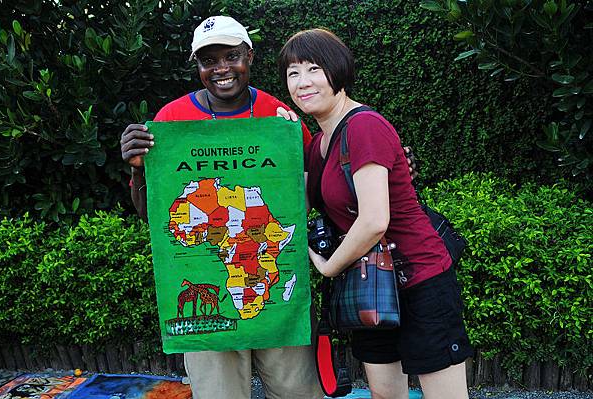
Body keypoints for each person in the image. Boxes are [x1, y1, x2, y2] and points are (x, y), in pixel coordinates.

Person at [120, 16, 324, 399]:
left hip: (275, 294)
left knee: (297, 392)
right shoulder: (170, 121)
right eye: (208, 60)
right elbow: (153, 216)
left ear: (249, 55)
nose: (222, 69)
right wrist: (137, 171)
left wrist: (377, 163)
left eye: (231, 56)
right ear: (197, 66)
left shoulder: (281, 117)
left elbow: (315, 191)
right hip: (211, 314)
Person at [277, 29, 473, 399]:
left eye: (313, 69)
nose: (302, 82)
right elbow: (297, 206)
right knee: (385, 394)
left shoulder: (364, 126)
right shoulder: (318, 142)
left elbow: (374, 220)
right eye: (293, 73)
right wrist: (285, 142)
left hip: (418, 279)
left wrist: (328, 266)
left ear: (339, 72)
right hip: (370, 285)